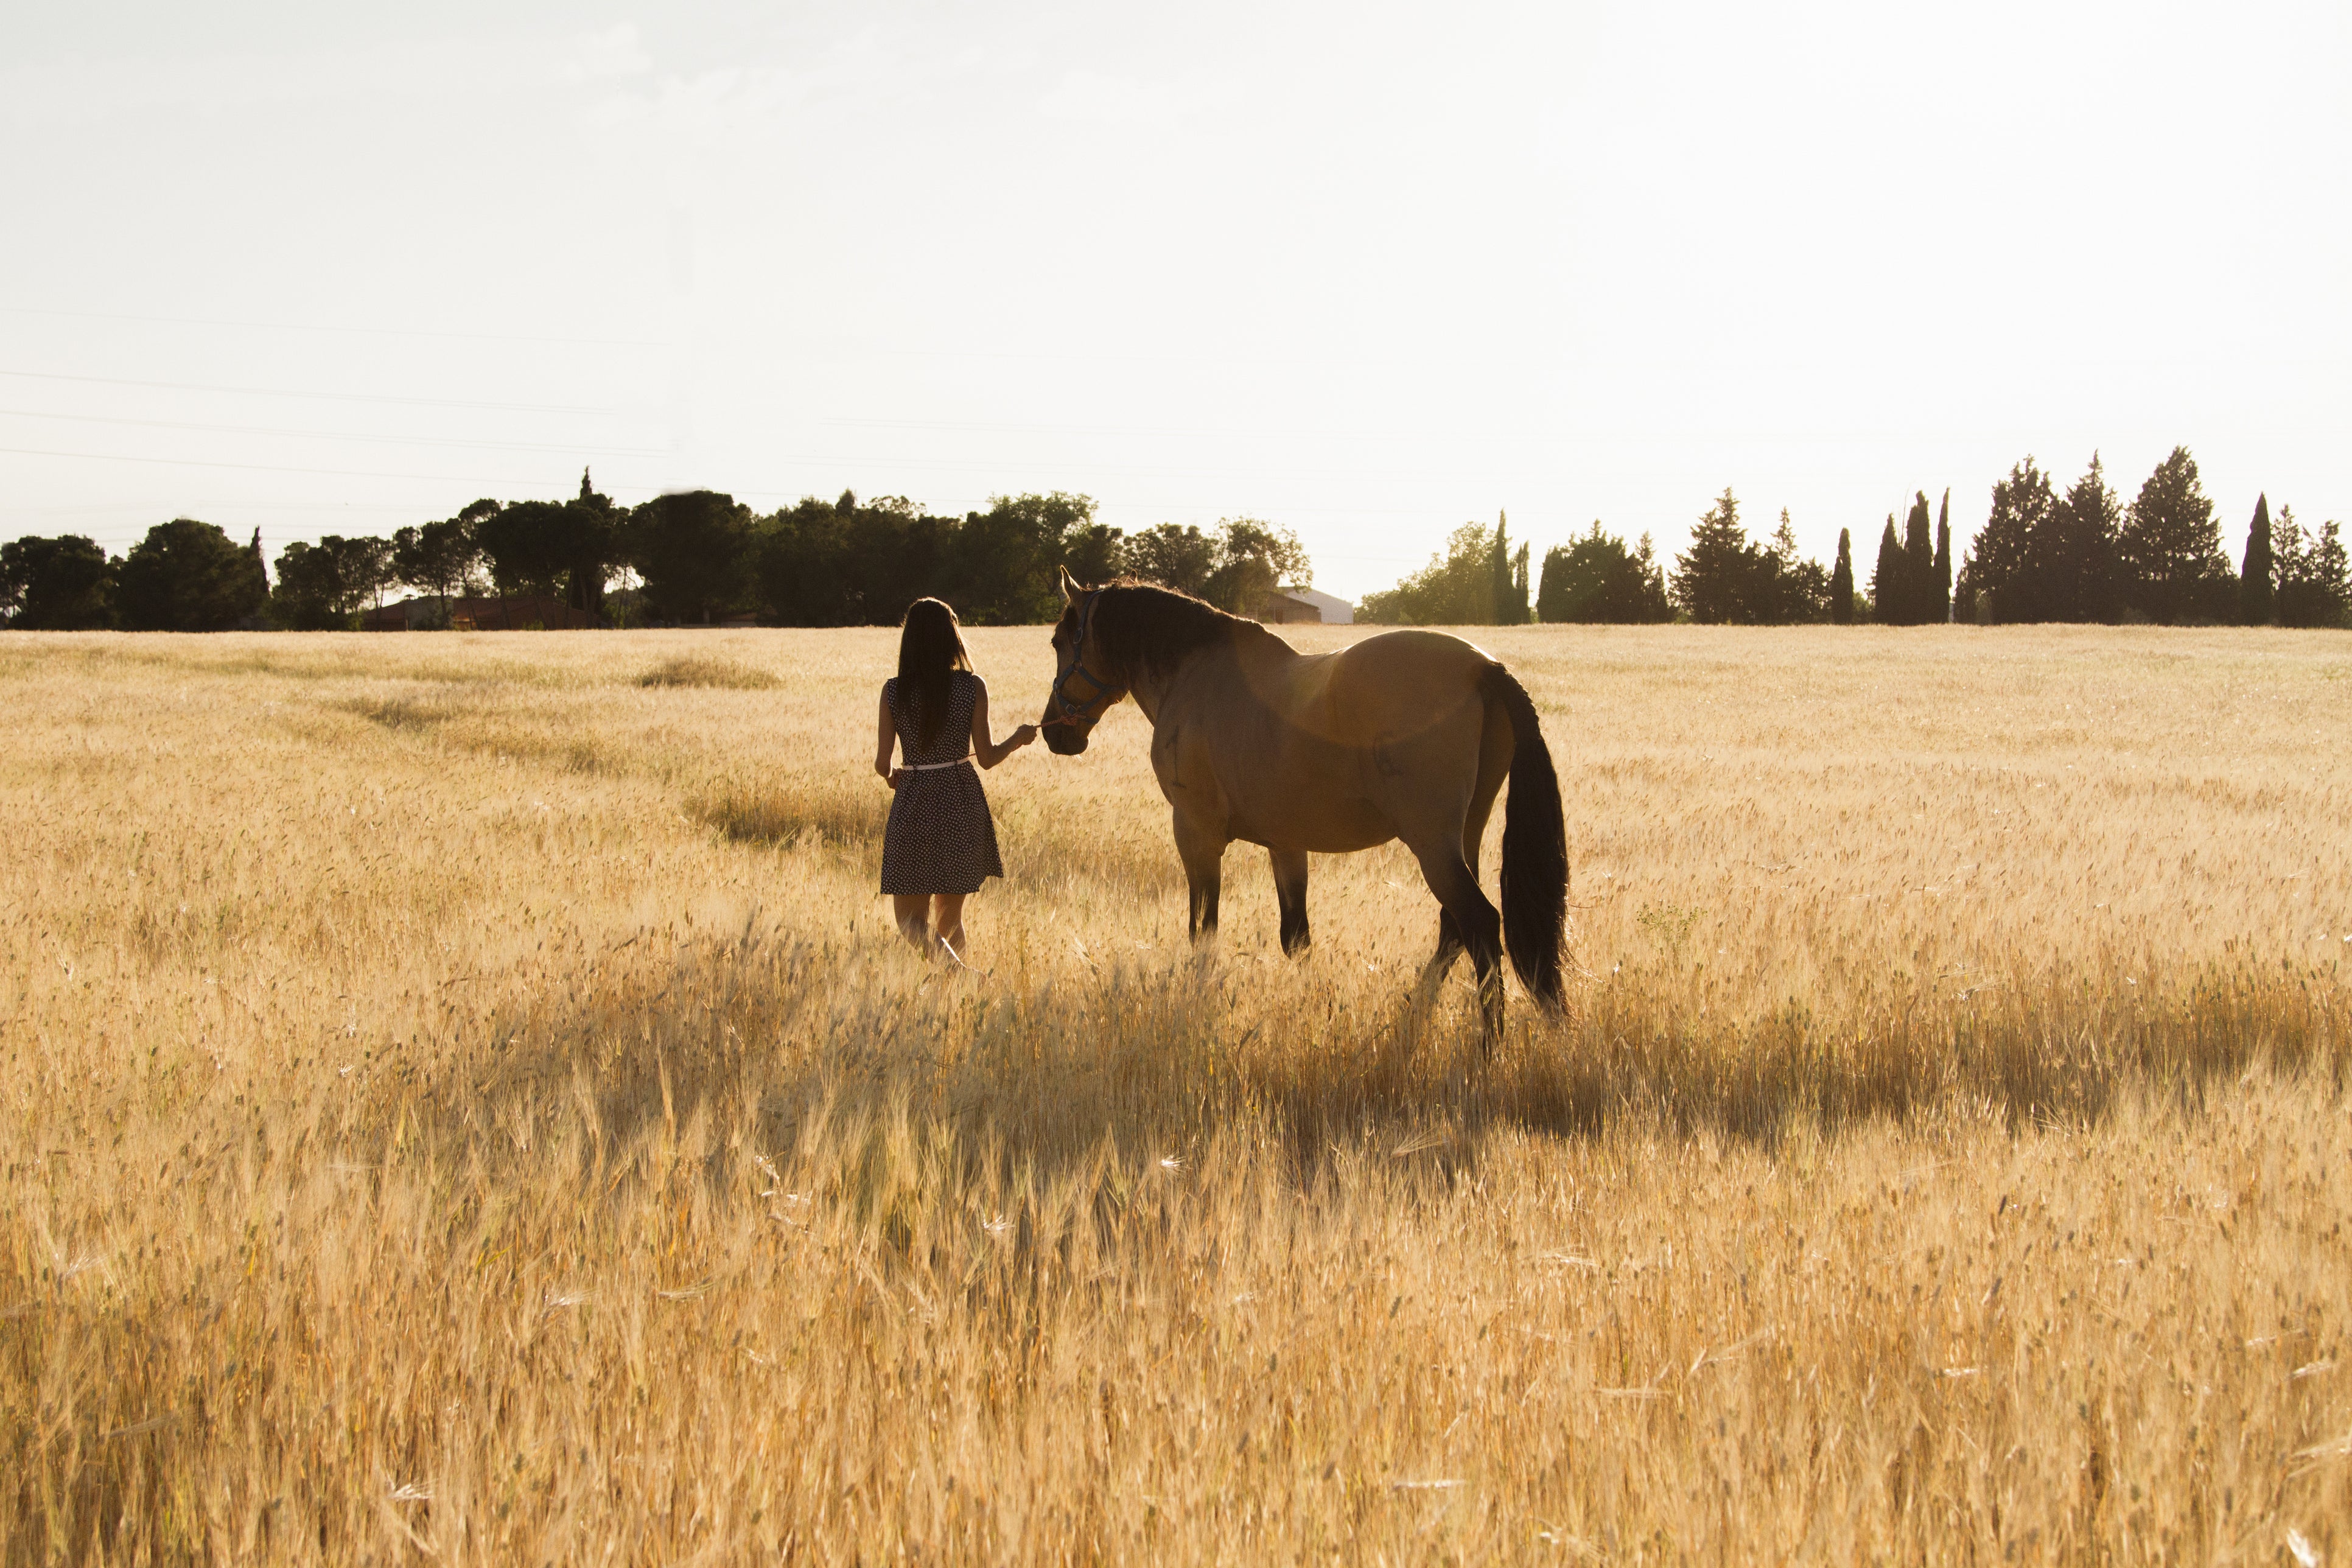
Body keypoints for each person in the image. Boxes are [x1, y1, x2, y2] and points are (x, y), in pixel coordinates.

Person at [875, 598, 1037, 961]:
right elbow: (989, 757)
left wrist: (893, 777)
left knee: (910, 920)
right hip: (960, 801)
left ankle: (960, 979)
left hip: (913, 804)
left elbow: (882, 764)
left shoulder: (893, 691)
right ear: (952, 638)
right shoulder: (972, 687)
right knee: (950, 918)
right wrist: (1019, 738)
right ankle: (960, 988)